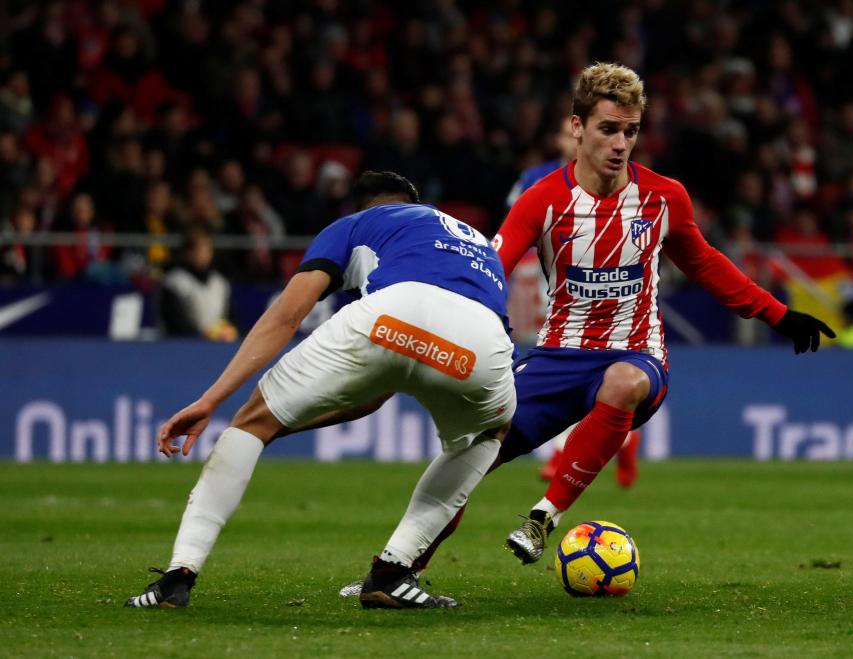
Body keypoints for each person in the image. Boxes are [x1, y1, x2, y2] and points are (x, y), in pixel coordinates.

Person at [358, 62, 834, 578]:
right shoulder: (541, 202)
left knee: (622, 382)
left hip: (638, 354)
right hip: (557, 356)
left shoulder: (663, 197)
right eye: (609, 129)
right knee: (468, 459)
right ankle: (395, 570)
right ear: (578, 127)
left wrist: (778, 315)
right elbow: (489, 269)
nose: (621, 144)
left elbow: (704, 263)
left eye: (630, 131)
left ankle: (544, 516)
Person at [126, 171, 515, 610]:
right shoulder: (477, 243)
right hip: (482, 342)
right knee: (487, 437)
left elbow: (286, 317)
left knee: (251, 421)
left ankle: (178, 577)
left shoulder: (355, 225)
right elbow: (376, 392)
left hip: (394, 313)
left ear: (366, 206)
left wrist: (225, 408)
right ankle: (392, 573)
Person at [506, 116, 642, 488]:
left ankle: (567, 454)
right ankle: (621, 440)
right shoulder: (535, 179)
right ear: (563, 137)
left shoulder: (615, 180)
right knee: (557, 368)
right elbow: (516, 229)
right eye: (567, 135)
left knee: (575, 369)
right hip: (540, 283)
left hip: (588, 292)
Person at [159, 227, 237, 341]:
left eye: (208, 250)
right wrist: (203, 336)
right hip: (184, 345)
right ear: (188, 253)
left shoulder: (220, 282)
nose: (206, 255)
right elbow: (174, 323)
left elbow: (230, 317)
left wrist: (226, 331)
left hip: (218, 343)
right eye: (201, 250)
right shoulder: (175, 282)